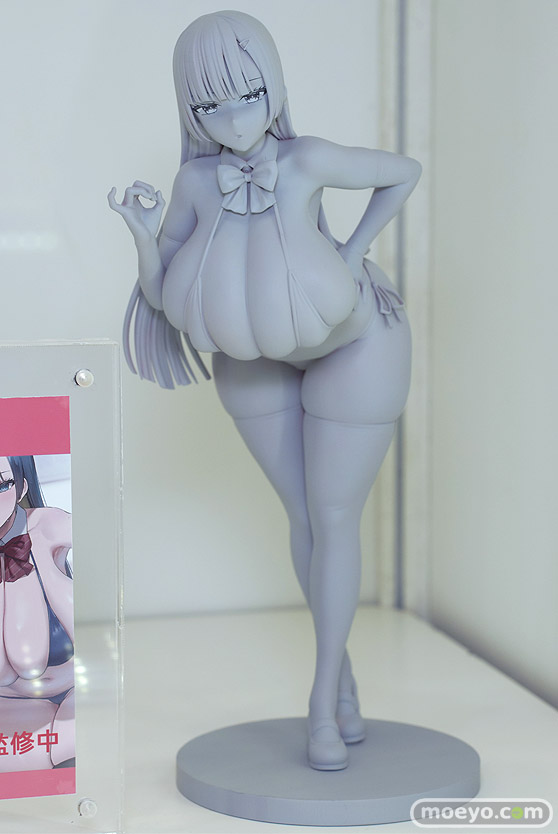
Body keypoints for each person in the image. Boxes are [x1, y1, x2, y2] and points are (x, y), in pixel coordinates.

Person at [109, 10, 421, 771]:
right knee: (304, 516)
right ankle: (341, 677)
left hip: (356, 347)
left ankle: (322, 702)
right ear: (191, 110)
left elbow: (403, 172)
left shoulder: (306, 159)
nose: (235, 119)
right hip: (250, 359)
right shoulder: (195, 182)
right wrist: (143, 234)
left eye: (249, 95)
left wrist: (354, 252)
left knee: (334, 516)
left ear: (275, 87)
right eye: (211, 105)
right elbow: (162, 292)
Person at [0, 456, 74, 771]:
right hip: (13, 708)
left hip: (76, 693)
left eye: (0, 485)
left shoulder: (47, 527)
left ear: (22, 486)